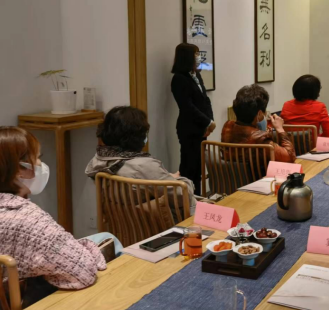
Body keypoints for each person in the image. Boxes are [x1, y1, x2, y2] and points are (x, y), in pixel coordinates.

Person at [0, 127, 107, 306]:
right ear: (20, 169)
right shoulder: (29, 220)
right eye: (38, 157)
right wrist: (85, 249)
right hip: (27, 300)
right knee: (108, 241)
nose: (41, 164)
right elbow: (84, 272)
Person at [86, 106, 196, 216]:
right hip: (160, 224)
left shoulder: (98, 161)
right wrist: (178, 179)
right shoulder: (143, 166)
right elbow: (183, 195)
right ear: (137, 135)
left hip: (123, 224)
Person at [171, 43, 215, 195]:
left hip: (202, 129)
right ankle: (189, 200)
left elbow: (205, 100)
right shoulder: (178, 79)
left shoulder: (197, 75)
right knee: (189, 169)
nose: (198, 57)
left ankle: (198, 199)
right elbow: (187, 106)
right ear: (187, 57)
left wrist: (210, 122)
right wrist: (207, 122)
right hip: (189, 129)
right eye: (195, 54)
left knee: (198, 169)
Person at [222, 84, 296, 163]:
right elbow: (290, 156)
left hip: (233, 171)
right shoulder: (260, 139)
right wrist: (280, 129)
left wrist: (262, 132)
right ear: (259, 114)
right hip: (258, 171)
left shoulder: (227, 127)